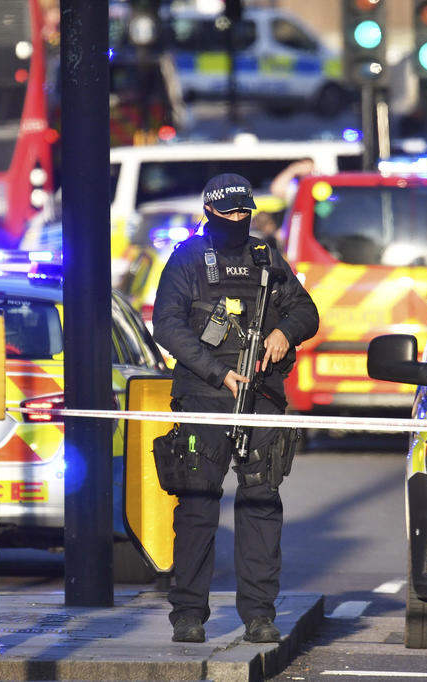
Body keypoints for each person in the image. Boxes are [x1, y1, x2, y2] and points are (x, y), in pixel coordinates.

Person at [152, 173, 319, 645]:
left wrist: (285, 331)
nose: (238, 220)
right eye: (228, 214)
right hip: (204, 398)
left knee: (262, 503)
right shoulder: (187, 259)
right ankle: (188, 614)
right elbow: (166, 324)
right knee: (198, 507)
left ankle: (260, 615)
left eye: (244, 212)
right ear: (209, 212)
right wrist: (215, 371)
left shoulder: (266, 256)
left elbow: (306, 310)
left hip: (261, 398)